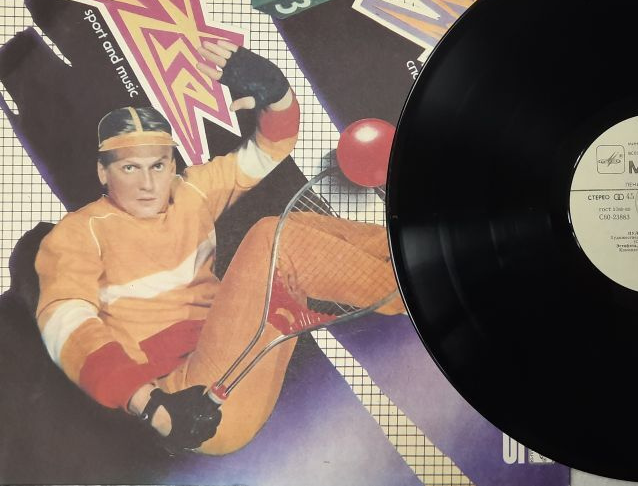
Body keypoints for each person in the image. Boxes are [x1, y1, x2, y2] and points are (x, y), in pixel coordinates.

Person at [33, 41, 403, 455]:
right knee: (272, 238)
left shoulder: (189, 191)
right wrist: (153, 407)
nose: (147, 183)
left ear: (172, 166)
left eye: (158, 165)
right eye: (129, 167)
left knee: (291, 227)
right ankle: (415, 287)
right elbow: (65, 325)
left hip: (244, 357)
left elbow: (270, 148)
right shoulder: (77, 233)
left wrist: (276, 93)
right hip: (193, 404)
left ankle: (410, 257)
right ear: (103, 172)